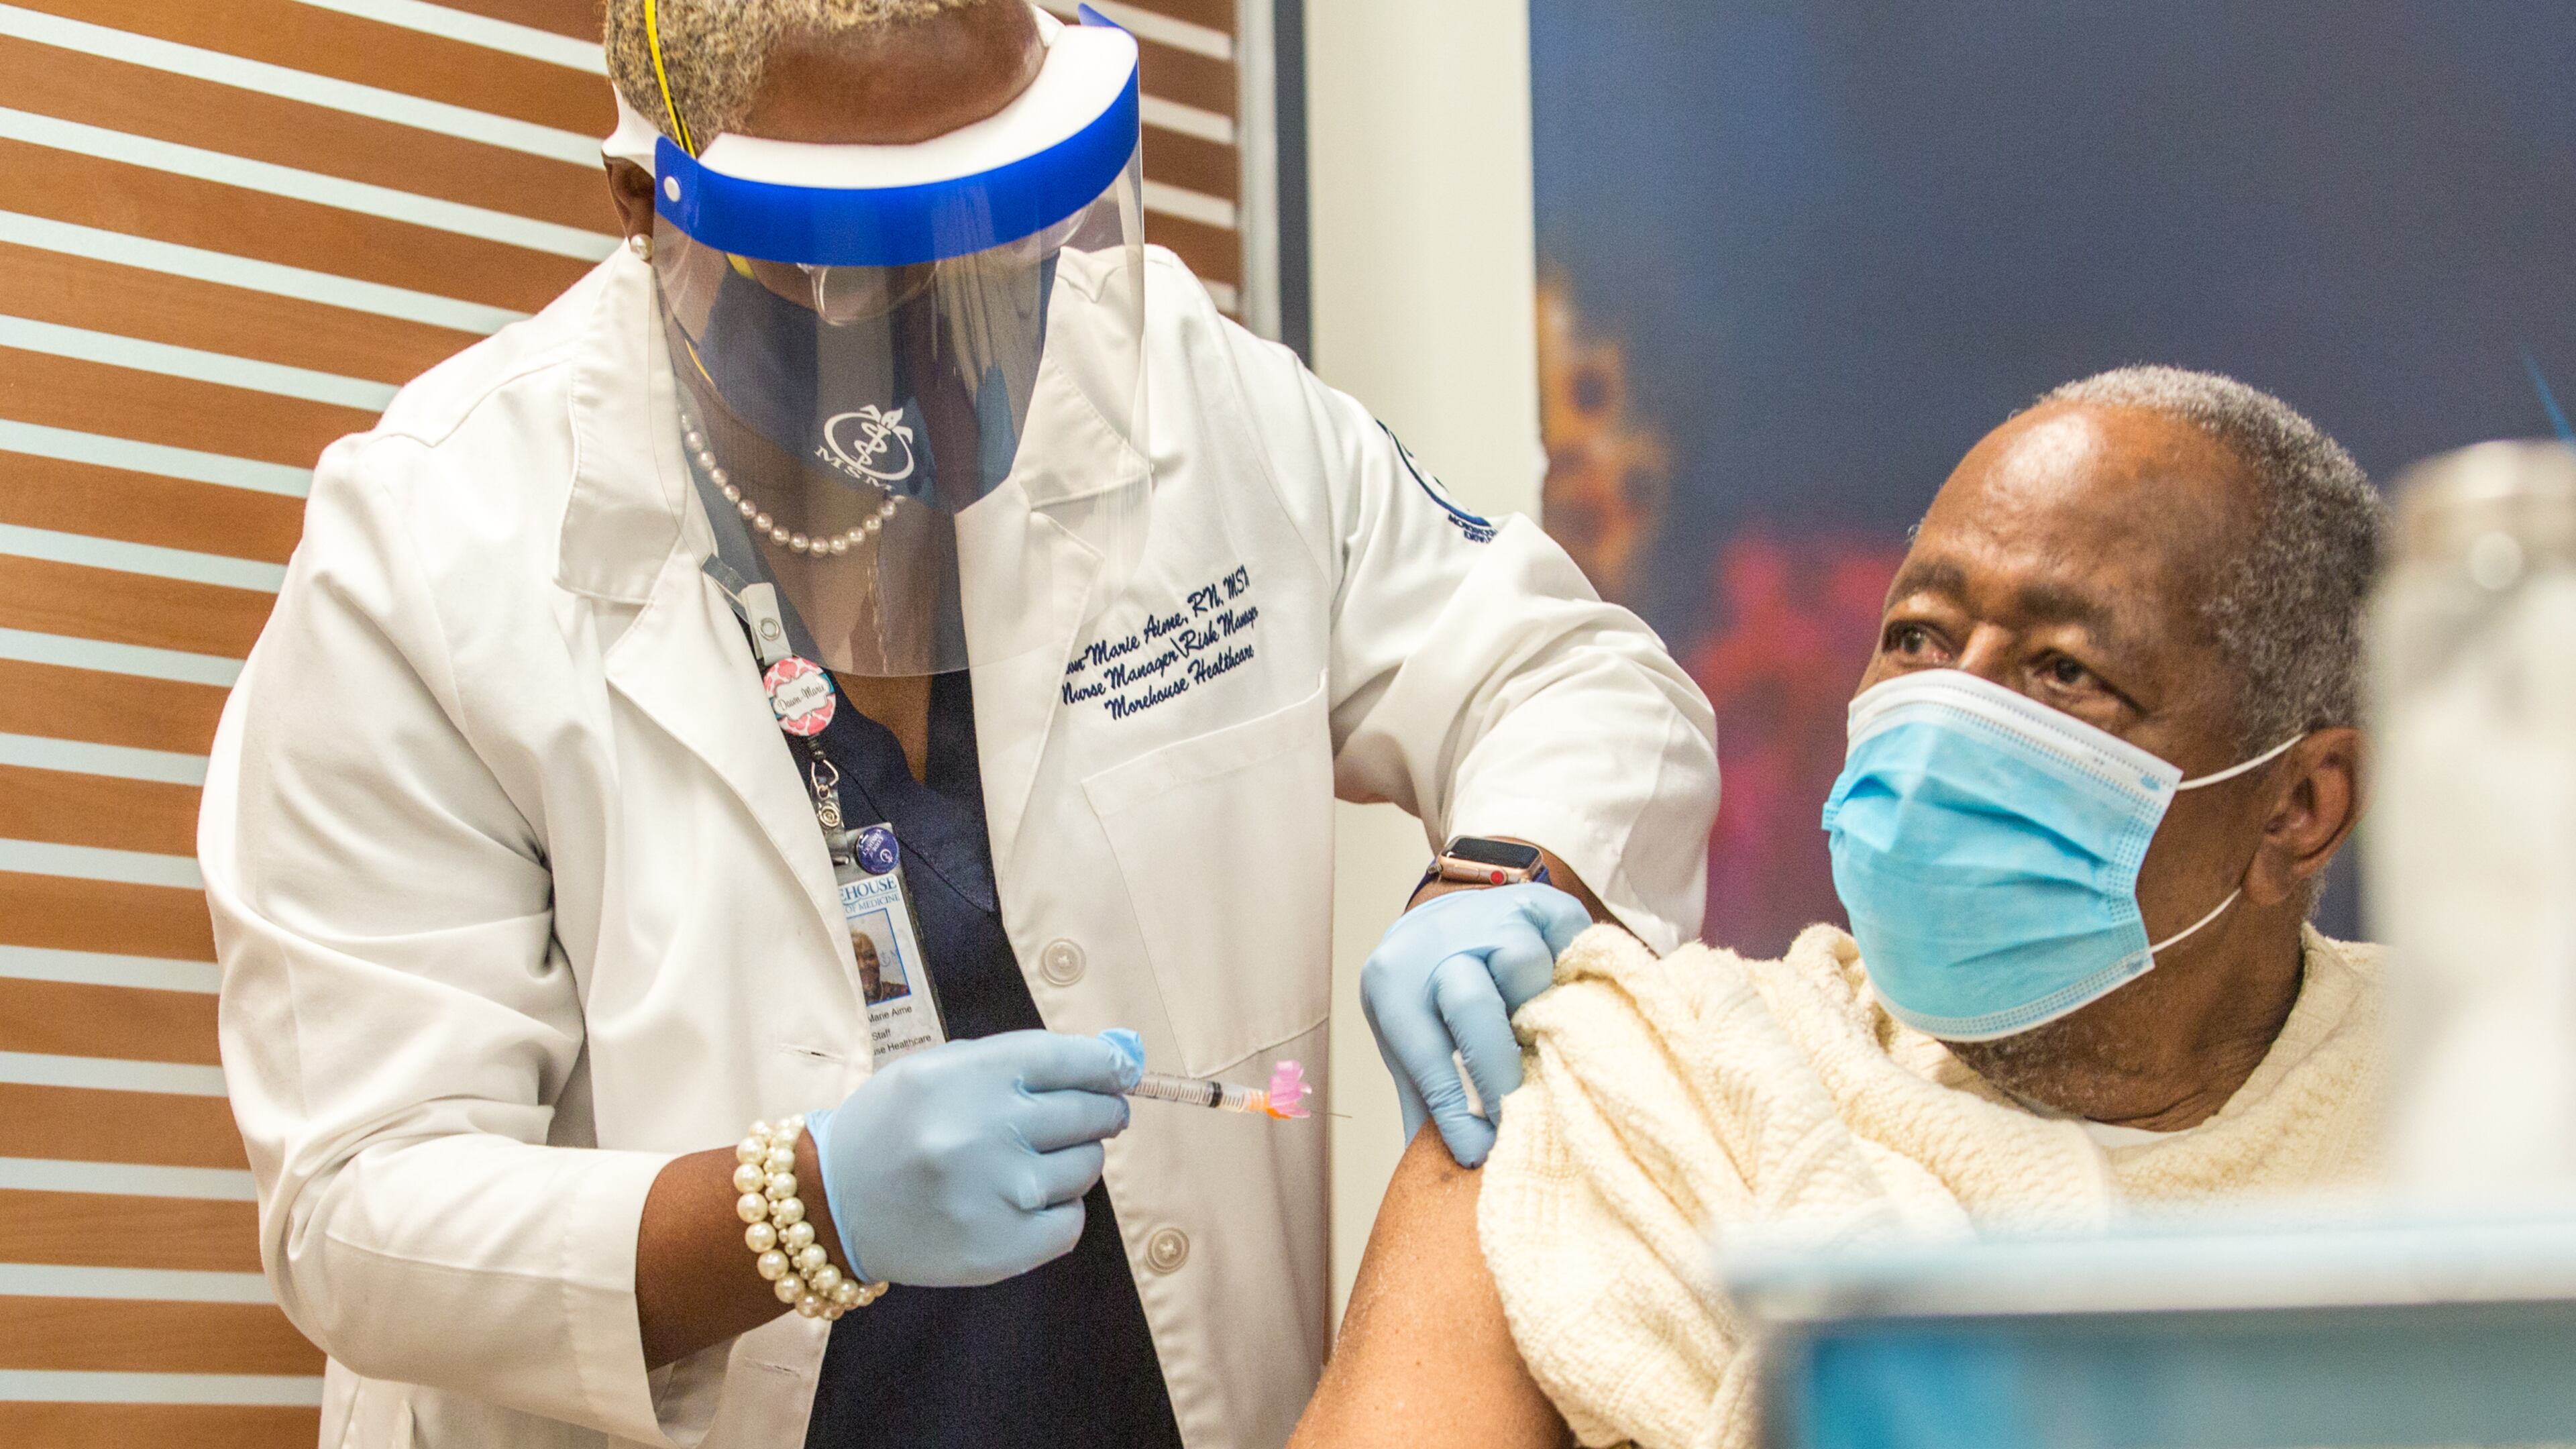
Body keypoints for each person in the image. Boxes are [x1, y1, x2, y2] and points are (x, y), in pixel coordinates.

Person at [196, 2, 1717, 1446]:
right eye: (864, 282)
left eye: (1009, 242)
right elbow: (361, 1209)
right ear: (649, 213)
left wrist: (1505, 879)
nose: (960, 344)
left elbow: (1572, 674)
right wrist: (799, 1208)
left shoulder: (1195, 405)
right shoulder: (437, 549)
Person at [1292, 366, 2385, 1449]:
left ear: (2299, 805)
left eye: (2063, 669)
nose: (1945, 717)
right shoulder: (1626, 1094)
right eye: (1917, 639)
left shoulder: (2452, 1137)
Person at [852, 930, 907, 1004]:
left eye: (870, 956)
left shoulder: (903, 993)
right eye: (853, 961)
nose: (863, 966)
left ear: (878, 960)